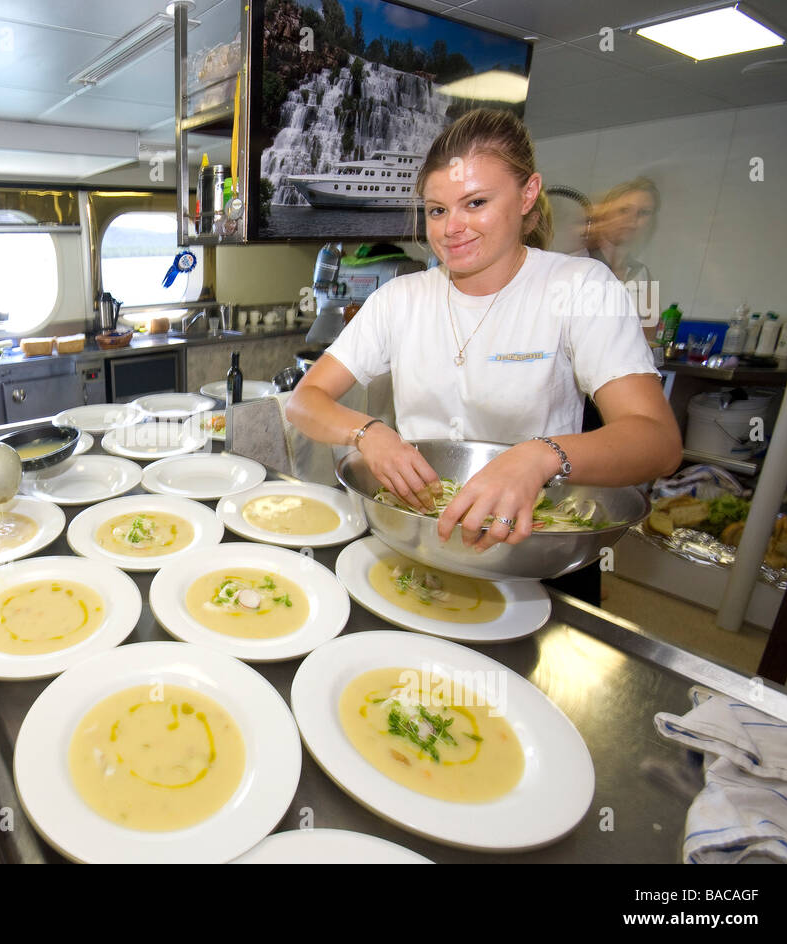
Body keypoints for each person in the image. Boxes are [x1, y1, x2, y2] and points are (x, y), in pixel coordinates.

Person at [286, 110, 681, 602]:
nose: (453, 228)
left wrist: (538, 457)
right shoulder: (400, 298)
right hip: (423, 539)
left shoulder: (579, 287)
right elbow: (306, 401)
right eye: (437, 210)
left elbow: (658, 442)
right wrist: (367, 433)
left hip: (533, 546)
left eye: (475, 203)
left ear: (528, 194)